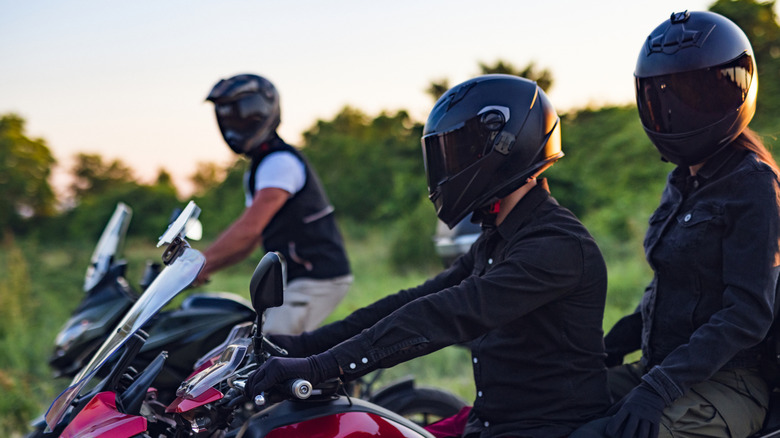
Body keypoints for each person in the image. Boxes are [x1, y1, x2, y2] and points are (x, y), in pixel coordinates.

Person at [246, 74, 611, 437]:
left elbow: (447, 313)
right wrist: (303, 346)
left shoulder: (555, 244)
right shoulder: (499, 236)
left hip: (546, 428)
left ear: (504, 148)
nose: (448, 166)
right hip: (489, 421)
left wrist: (324, 366)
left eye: (461, 152)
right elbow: (419, 298)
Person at [571, 11, 780, 438]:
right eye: (662, 97)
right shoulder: (682, 180)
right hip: (661, 370)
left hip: (726, 384)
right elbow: (673, 285)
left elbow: (747, 313)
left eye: (695, 96)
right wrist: (613, 344)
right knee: (547, 405)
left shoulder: (754, 186)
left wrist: (657, 389)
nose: (675, 112)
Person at [196, 73, 352, 335]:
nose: (234, 122)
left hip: (316, 278)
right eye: (227, 115)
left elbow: (249, 229)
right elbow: (249, 241)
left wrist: (201, 262)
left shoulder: (279, 162)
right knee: (238, 341)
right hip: (294, 279)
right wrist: (207, 266)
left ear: (262, 112)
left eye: (240, 113)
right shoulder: (261, 165)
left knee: (269, 346)